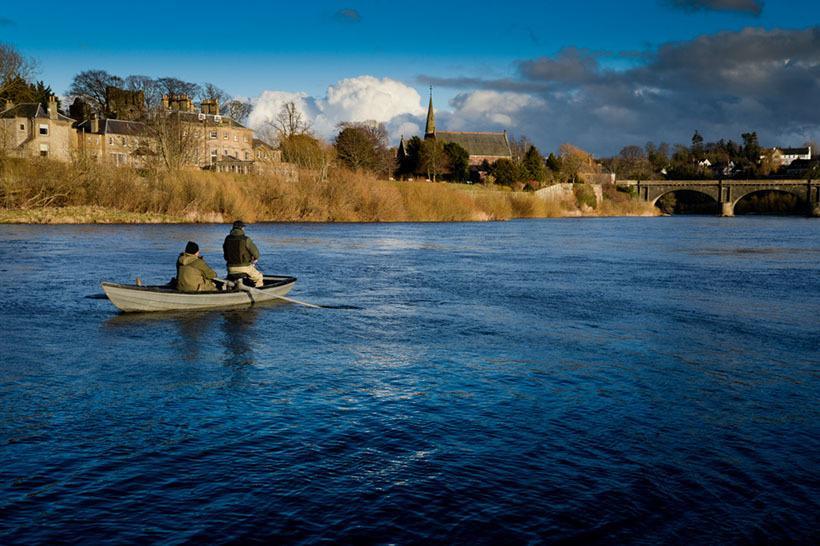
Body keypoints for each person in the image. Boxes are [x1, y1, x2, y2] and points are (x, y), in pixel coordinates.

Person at [223, 220, 264, 287]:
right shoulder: (246, 239)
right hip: (245, 268)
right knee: (259, 277)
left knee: (230, 280)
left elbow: (225, 257)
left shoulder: (227, 239)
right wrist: (254, 259)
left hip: (230, 269)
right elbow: (257, 254)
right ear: (242, 228)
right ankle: (258, 295)